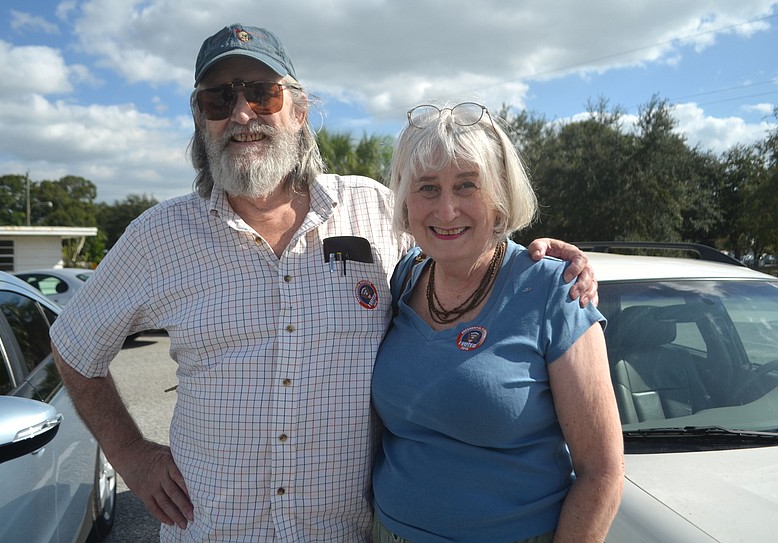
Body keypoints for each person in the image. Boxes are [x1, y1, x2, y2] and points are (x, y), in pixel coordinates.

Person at [50, 24, 598, 542]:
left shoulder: (376, 210)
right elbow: (74, 342)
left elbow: (459, 245)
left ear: (299, 110)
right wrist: (131, 456)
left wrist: (537, 257)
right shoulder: (159, 235)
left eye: (262, 94)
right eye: (218, 99)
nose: (242, 113)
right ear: (200, 119)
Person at [370, 102, 624, 543]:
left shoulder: (554, 288)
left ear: (500, 193)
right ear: (406, 200)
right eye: (427, 188)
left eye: (467, 185)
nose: (446, 210)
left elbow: (601, 472)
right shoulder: (404, 276)